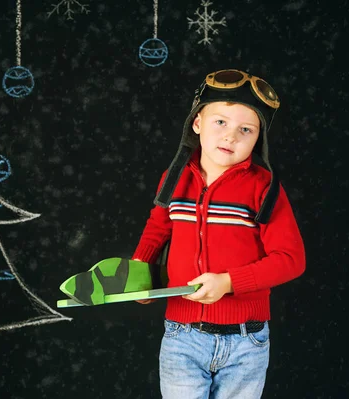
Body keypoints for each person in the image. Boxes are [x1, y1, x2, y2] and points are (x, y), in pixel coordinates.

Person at [131, 69, 306, 399]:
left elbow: (291, 260)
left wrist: (228, 282)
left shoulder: (264, 189)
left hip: (246, 341)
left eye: (246, 129)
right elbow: (157, 228)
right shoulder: (174, 178)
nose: (231, 137)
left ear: (258, 139)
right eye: (220, 122)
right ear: (197, 123)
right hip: (181, 336)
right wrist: (138, 271)